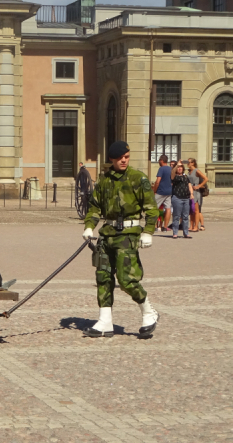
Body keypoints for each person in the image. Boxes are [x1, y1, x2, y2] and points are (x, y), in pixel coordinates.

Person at [82, 141, 160, 338]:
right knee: (103, 277)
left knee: (126, 279)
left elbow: (151, 208)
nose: (124, 160)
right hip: (107, 235)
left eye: (126, 157)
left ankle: (149, 312)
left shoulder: (137, 178)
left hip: (127, 235)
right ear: (112, 159)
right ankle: (105, 320)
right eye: (120, 158)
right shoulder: (104, 181)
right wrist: (89, 226)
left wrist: (148, 232)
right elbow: (94, 207)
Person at [170, 163, 193, 239]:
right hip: (177, 197)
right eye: (178, 167)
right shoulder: (174, 177)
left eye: (181, 167)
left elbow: (189, 185)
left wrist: (191, 194)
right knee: (176, 216)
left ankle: (186, 233)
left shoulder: (186, 177)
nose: (180, 169)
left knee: (185, 216)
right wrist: (176, 165)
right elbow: (172, 174)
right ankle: (175, 233)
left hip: (186, 198)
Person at [153, 155, 173, 232]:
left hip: (161, 191)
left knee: (155, 207)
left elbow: (158, 181)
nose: (158, 162)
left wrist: (154, 190)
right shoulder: (171, 169)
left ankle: (155, 226)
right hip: (169, 192)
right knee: (168, 209)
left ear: (162, 160)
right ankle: (164, 227)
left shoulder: (161, 169)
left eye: (159, 160)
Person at [187, 158, 208, 232]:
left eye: (188, 162)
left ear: (193, 163)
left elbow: (205, 178)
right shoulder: (189, 171)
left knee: (196, 210)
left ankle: (196, 226)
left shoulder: (196, 170)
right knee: (191, 210)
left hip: (196, 192)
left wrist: (199, 185)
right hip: (190, 191)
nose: (187, 163)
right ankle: (191, 226)